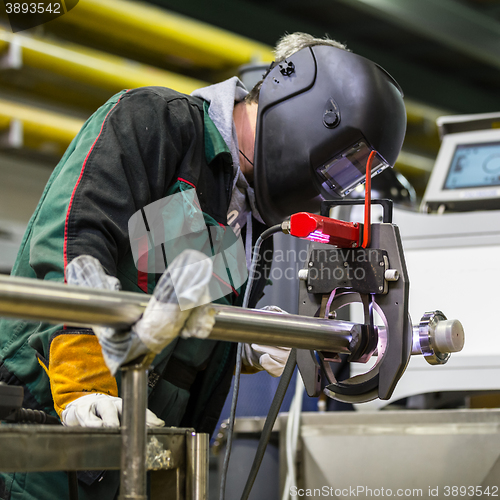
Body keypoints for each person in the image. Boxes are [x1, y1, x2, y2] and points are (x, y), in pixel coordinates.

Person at [0, 32, 406, 499]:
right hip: (40, 435)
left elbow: (183, 329)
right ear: (305, 107)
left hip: (139, 451)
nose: (329, 188)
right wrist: (86, 385)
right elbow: (73, 237)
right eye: (336, 167)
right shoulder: (156, 124)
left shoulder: (252, 217)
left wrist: (243, 345)